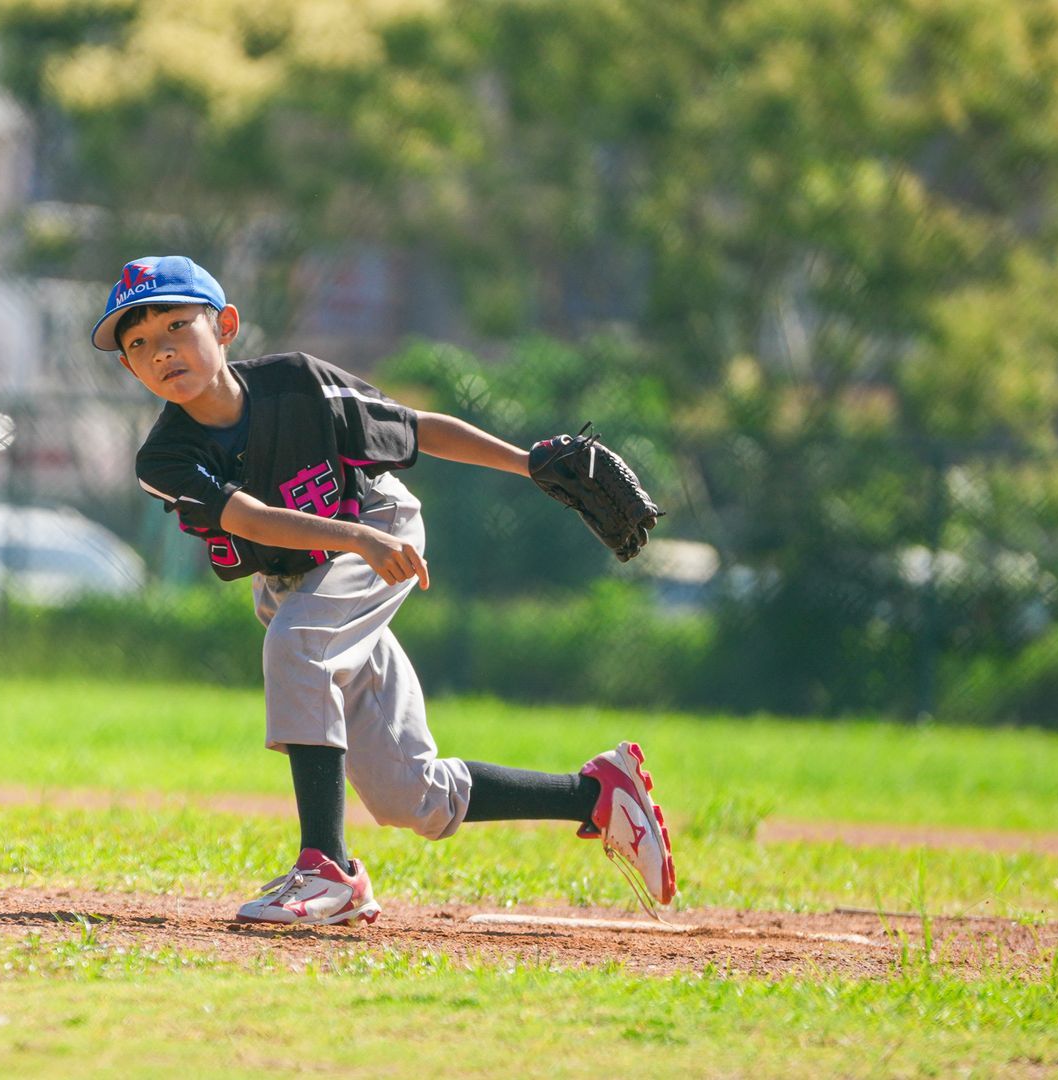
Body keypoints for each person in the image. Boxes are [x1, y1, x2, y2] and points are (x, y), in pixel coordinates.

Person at [95, 255, 676, 924]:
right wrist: (354, 545)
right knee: (410, 797)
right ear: (128, 368)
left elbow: (415, 428)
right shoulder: (164, 458)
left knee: (299, 643)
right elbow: (247, 518)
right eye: (138, 344)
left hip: (376, 524)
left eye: (176, 326)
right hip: (312, 569)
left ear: (225, 325)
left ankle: (326, 868)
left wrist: (525, 462)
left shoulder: (299, 384)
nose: (161, 350)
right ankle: (597, 795)